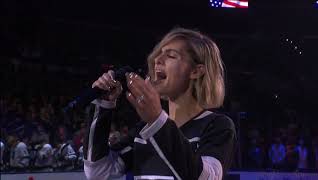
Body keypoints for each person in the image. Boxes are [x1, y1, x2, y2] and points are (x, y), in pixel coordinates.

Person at [83, 28, 236, 180]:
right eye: (159, 54)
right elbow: (98, 172)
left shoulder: (217, 125)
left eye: (171, 56)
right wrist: (103, 106)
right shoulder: (145, 129)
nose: (157, 59)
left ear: (196, 71)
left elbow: (208, 178)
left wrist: (158, 121)